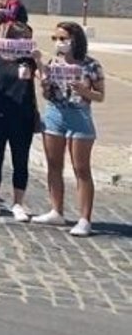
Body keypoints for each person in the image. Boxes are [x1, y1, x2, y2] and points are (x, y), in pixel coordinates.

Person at [32, 22, 104, 237]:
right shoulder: (54, 63)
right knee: (54, 164)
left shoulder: (91, 65)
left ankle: (85, 219)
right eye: (55, 39)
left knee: (81, 168)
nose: (58, 43)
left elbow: (100, 95)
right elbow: (48, 94)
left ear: (75, 40)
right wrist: (44, 85)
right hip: (55, 114)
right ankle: (56, 210)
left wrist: (84, 90)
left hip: (79, 117)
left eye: (62, 38)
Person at [0, 22, 39, 222]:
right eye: (23, 38)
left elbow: (43, 80)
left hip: (23, 114)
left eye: (29, 38)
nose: (26, 42)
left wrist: (39, 60)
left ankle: (18, 203)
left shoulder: (29, 59)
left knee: (20, 160)